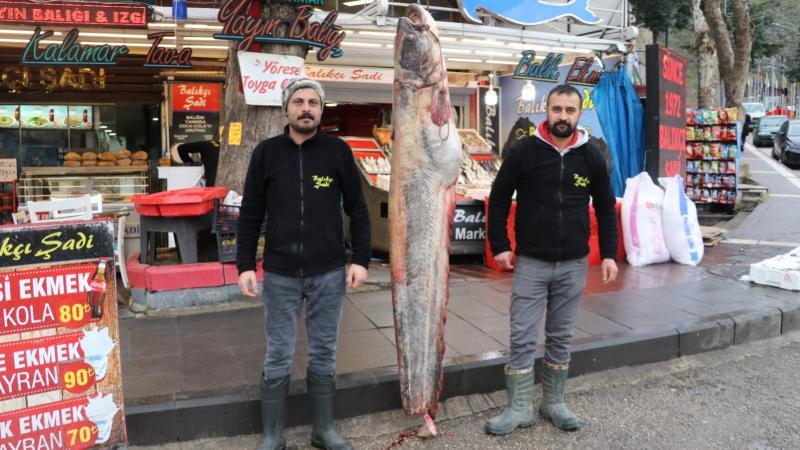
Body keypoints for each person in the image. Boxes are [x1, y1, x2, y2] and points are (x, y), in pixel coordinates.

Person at [236, 77, 371, 450]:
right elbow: (250, 213)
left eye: (313, 102)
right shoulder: (266, 153)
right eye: (299, 101)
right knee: (278, 351)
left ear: (321, 109)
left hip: (328, 270)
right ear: (286, 109)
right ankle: (272, 436)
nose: (306, 108)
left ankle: (323, 431)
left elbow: (357, 209)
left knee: (324, 350)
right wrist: (245, 264)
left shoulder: (338, 152)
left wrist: (360, 258)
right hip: (279, 273)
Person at [485, 84, 618, 436]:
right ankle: (518, 408)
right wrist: (500, 243)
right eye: (557, 109)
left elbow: (605, 207)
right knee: (522, 336)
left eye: (569, 111)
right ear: (548, 110)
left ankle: (554, 402)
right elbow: (498, 197)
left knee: (560, 335)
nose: (563, 116)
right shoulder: (525, 151)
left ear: (579, 114)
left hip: (574, 263)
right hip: (531, 261)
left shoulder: (591, 155)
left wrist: (608, 253)